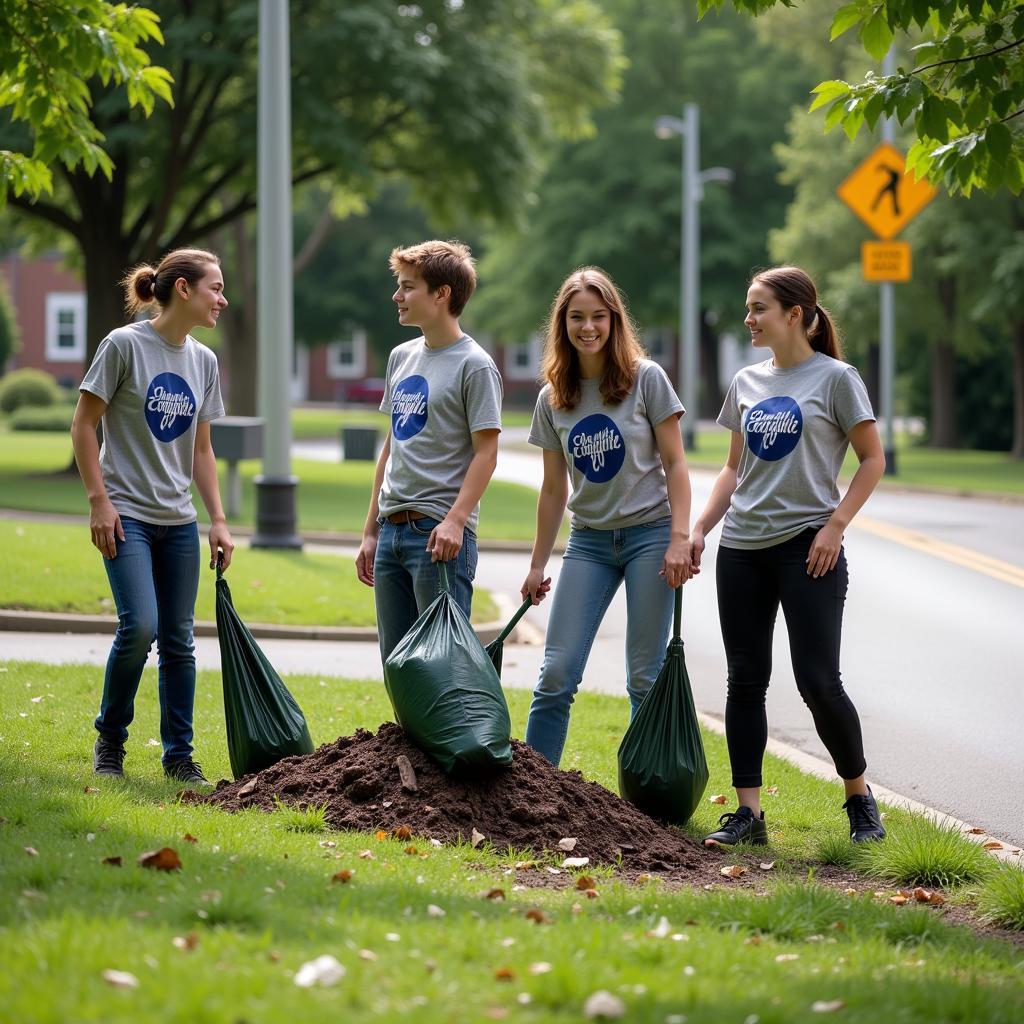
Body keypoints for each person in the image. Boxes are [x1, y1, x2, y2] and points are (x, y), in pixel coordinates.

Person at [691, 265, 886, 847]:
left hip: (809, 548)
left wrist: (835, 525)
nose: (748, 319)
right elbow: (733, 467)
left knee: (819, 681)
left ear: (795, 314)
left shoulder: (836, 378)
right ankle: (749, 815)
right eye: (749, 308)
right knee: (745, 680)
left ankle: (859, 797)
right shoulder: (746, 382)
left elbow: (871, 459)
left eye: (758, 308)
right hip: (742, 549)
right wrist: (701, 527)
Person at [71, 247, 234, 787]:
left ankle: (179, 756)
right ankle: (110, 739)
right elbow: (83, 424)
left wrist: (218, 519)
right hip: (128, 517)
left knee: (179, 640)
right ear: (183, 289)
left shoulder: (204, 361)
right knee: (139, 626)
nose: (222, 299)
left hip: (179, 522)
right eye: (215, 287)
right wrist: (99, 500)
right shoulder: (124, 346)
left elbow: (203, 451)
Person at [521, 267, 692, 767]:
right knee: (555, 674)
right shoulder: (553, 396)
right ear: (563, 323)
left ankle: (647, 798)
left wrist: (679, 537)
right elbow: (553, 489)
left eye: (598, 316)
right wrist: (536, 565)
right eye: (577, 317)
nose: (588, 327)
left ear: (615, 320)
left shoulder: (646, 380)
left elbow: (676, 464)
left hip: (650, 536)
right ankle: (533, 792)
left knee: (644, 676)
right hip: (589, 542)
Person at [356, 240, 502, 662]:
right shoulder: (401, 357)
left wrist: (455, 521)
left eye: (408, 287)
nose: (396, 296)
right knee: (397, 666)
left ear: (442, 294)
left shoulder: (474, 364)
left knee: (443, 669)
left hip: (438, 537)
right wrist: (370, 531)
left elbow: (487, 454)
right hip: (391, 533)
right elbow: (392, 448)